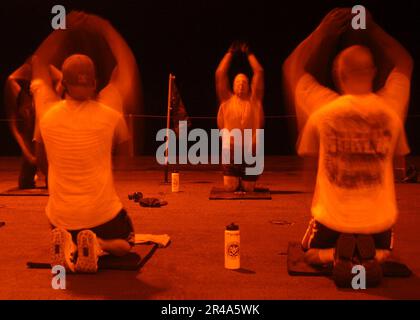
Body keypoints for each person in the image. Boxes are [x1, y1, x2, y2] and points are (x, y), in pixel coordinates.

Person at [283, 8, 413, 287]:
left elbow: (292, 66)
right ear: (374, 72)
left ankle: (333, 254)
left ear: (338, 74)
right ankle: (375, 255)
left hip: (333, 219)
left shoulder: (325, 108)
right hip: (379, 222)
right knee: (387, 249)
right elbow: (405, 62)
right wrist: (372, 28)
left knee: (308, 253)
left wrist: (322, 32)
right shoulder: (390, 108)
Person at [31, 14, 140, 273]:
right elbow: (127, 63)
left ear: (64, 84)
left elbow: (39, 61)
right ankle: (99, 243)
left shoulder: (47, 112)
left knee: (63, 224)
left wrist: (62, 27)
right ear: (94, 83)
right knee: (128, 242)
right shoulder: (108, 109)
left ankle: (69, 243)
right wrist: (105, 26)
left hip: (61, 219)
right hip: (104, 217)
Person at [216, 41, 265, 192]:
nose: (241, 85)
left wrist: (249, 54)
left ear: (250, 85)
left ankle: (247, 179)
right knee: (230, 188)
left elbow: (259, 72)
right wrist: (229, 54)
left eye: (244, 82)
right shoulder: (226, 100)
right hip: (231, 149)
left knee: (249, 189)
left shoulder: (255, 101)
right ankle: (234, 178)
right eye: (238, 82)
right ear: (232, 85)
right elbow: (220, 74)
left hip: (251, 150)